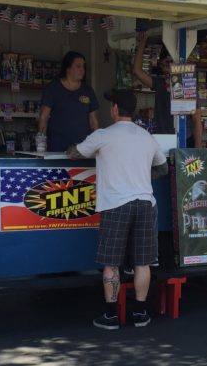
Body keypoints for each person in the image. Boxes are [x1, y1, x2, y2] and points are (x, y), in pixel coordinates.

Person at [68, 88, 167, 330]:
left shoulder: (103, 135)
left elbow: (74, 154)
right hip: (145, 203)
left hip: (116, 204)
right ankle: (140, 313)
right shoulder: (146, 136)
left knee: (112, 263)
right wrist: (141, 176)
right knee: (143, 262)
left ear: (114, 109)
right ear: (131, 111)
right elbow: (163, 169)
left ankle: (111, 315)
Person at [132, 29, 204, 147]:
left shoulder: (188, 86)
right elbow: (137, 71)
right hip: (162, 138)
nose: (166, 68)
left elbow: (197, 120)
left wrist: (198, 147)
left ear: (177, 65)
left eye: (169, 64)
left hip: (185, 139)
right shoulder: (160, 84)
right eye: (163, 65)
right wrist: (142, 42)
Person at [38, 51, 100, 152]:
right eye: (78, 66)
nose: (82, 70)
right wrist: (40, 145)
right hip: (57, 147)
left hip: (82, 149)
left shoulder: (88, 91)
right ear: (68, 68)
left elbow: (94, 121)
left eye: (83, 66)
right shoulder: (53, 88)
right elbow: (43, 117)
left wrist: (97, 145)